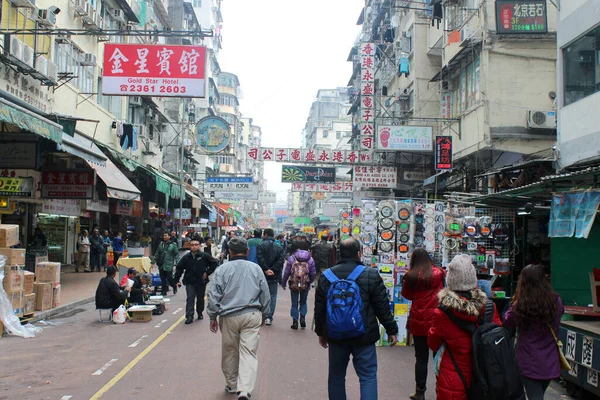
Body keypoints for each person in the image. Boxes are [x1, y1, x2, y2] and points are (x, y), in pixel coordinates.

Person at [314, 238, 398, 399]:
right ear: (359, 254)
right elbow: (382, 306)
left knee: (336, 377)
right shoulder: (371, 275)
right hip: (364, 336)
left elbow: (320, 309)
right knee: (367, 377)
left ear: (339, 253)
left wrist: (321, 332)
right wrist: (391, 330)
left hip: (336, 335)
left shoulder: (327, 276)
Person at [428, 254, 502, 400]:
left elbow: (433, 342)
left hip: (454, 373)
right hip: (486, 371)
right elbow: (497, 334)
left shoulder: (442, 312)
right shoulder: (488, 307)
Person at [207, 236, 271, 400]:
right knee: (249, 352)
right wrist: (265, 313)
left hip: (228, 316)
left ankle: (231, 384)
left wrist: (212, 316)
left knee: (230, 351)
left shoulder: (222, 269)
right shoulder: (256, 269)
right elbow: (265, 293)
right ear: (247, 251)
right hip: (252, 314)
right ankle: (244, 390)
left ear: (229, 251)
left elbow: (213, 295)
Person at [503, 264, 565, 400]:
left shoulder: (523, 303)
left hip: (529, 360)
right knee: (538, 395)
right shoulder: (556, 301)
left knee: (535, 396)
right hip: (550, 359)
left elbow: (508, 320)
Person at [401, 249, 446, 400]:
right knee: (439, 357)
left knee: (421, 358)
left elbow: (407, 295)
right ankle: (441, 389)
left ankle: (420, 391)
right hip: (436, 320)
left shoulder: (411, 276)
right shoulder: (440, 273)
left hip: (418, 321)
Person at [174, 236, 219, 324]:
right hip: (189, 281)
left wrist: (207, 272)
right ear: (190, 246)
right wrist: (176, 279)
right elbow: (179, 268)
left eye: (196, 245)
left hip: (201, 281)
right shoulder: (186, 257)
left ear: (199, 246)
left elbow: (214, 263)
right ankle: (189, 316)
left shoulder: (204, 256)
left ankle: (199, 312)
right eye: (192, 245)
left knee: (200, 298)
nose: (194, 246)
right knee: (190, 298)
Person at [281, 239, 316, 330]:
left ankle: (295, 321)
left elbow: (287, 272)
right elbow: (313, 273)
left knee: (294, 303)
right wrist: (310, 281)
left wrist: (283, 283)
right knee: (303, 302)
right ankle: (303, 318)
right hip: (305, 284)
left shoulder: (292, 258)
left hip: (294, 283)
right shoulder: (310, 258)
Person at [256, 228, 285, 326]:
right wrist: (272, 270)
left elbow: (260, 258)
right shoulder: (279, 247)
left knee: (260, 294)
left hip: (262, 274)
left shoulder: (260, 245)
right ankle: (269, 317)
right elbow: (281, 260)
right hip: (274, 275)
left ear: (265, 234)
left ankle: (261, 315)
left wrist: (266, 269)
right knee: (273, 296)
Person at [153, 232, 180, 296]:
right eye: (163, 235)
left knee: (169, 278)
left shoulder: (173, 245)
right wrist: (153, 261)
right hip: (161, 264)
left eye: (166, 235)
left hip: (169, 264)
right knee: (162, 279)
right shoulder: (161, 244)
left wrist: (178, 262)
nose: (164, 237)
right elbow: (157, 253)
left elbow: (176, 254)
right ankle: (163, 291)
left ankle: (173, 285)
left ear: (169, 237)